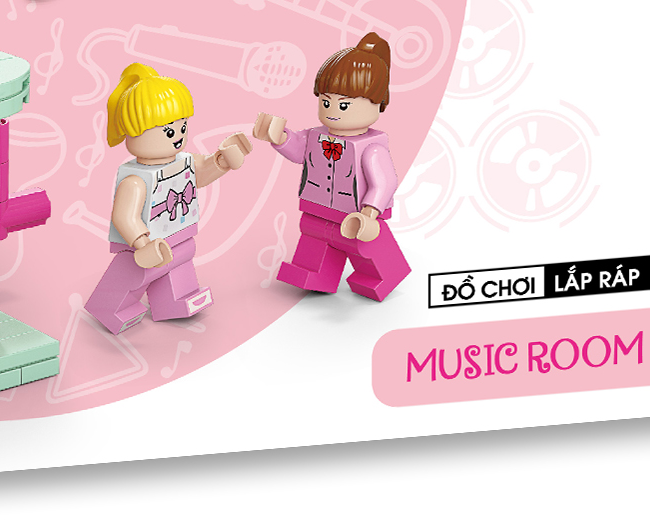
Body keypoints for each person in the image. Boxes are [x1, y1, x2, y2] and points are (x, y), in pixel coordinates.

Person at [85, 64, 251, 333]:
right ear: (133, 132)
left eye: (182, 127)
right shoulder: (136, 179)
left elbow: (200, 173)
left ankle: (175, 299)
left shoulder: (184, 160)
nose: (178, 137)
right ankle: (110, 307)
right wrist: (142, 243)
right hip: (147, 246)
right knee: (134, 274)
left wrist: (221, 161)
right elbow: (124, 217)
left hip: (180, 236)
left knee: (178, 265)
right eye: (169, 131)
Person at [253, 31, 410, 301]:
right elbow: (299, 151)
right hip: (318, 208)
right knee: (315, 237)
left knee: (363, 246)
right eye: (326, 102)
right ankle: (314, 272)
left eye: (344, 105)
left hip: (355, 216)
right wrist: (280, 137)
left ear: (377, 104)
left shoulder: (371, 148)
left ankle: (384, 273)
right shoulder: (316, 136)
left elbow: (384, 182)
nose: (333, 110)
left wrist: (370, 211)